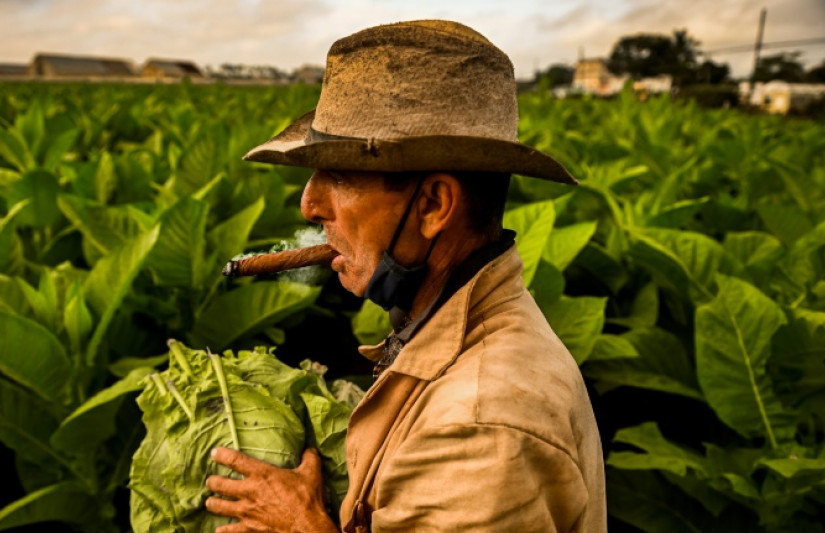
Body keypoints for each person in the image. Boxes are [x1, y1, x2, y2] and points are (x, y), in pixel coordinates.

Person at [204, 19, 606, 532]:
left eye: (341, 177)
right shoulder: (447, 327)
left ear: (434, 204)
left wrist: (299, 525)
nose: (309, 204)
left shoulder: (481, 426)